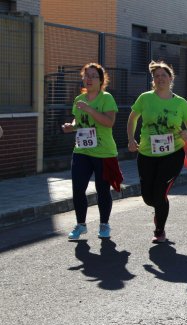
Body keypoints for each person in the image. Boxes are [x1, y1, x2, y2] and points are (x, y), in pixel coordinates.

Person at [127, 60, 187, 243]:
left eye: (163, 75)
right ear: (153, 80)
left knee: (159, 193)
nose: (160, 79)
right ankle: (158, 210)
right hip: (147, 154)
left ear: (170, 78)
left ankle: (160, 230)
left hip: (172, 154)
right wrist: (131, 139)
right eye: (156, 76)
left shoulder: (180, 102)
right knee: (148, 198)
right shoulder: (145, 98)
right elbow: (132, 118)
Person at [62, 63, 120, 240]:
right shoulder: (79, 99)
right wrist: (70, 127)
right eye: (86, 75)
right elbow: (78, 122)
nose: (88, 79)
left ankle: (104, 224)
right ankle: (81, 225)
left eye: (93, 76)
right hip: (82, 150)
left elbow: (109, 122)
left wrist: (89, 109)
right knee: (78, 189)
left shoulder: (106, 98)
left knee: (102, 190)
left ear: (101, 80)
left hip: (103, 152)